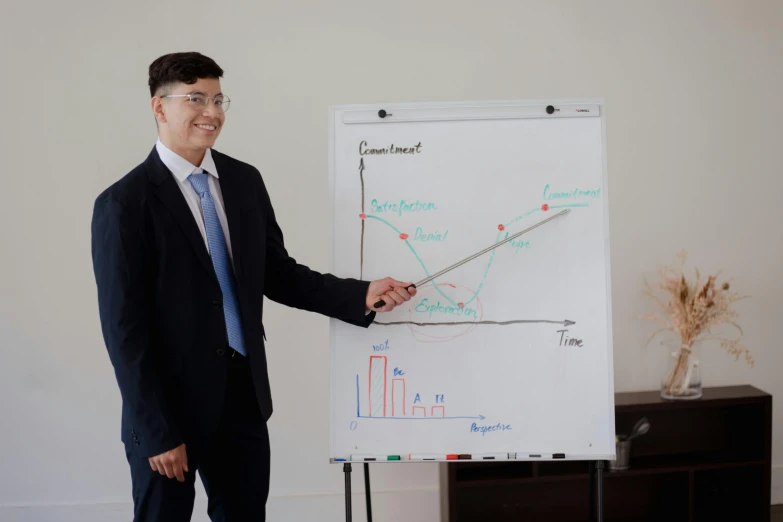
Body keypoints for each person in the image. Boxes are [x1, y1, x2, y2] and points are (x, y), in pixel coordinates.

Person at [90, 51, 415, 522]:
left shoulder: (242, 181)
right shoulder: (124, 204)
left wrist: (358, 293)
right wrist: (155, 429)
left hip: (242, 397)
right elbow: (123, 329)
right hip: (169, 411)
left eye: (219, 99)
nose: (213, 112)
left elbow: (277, 273)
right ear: (159, 107)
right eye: (196, 99)